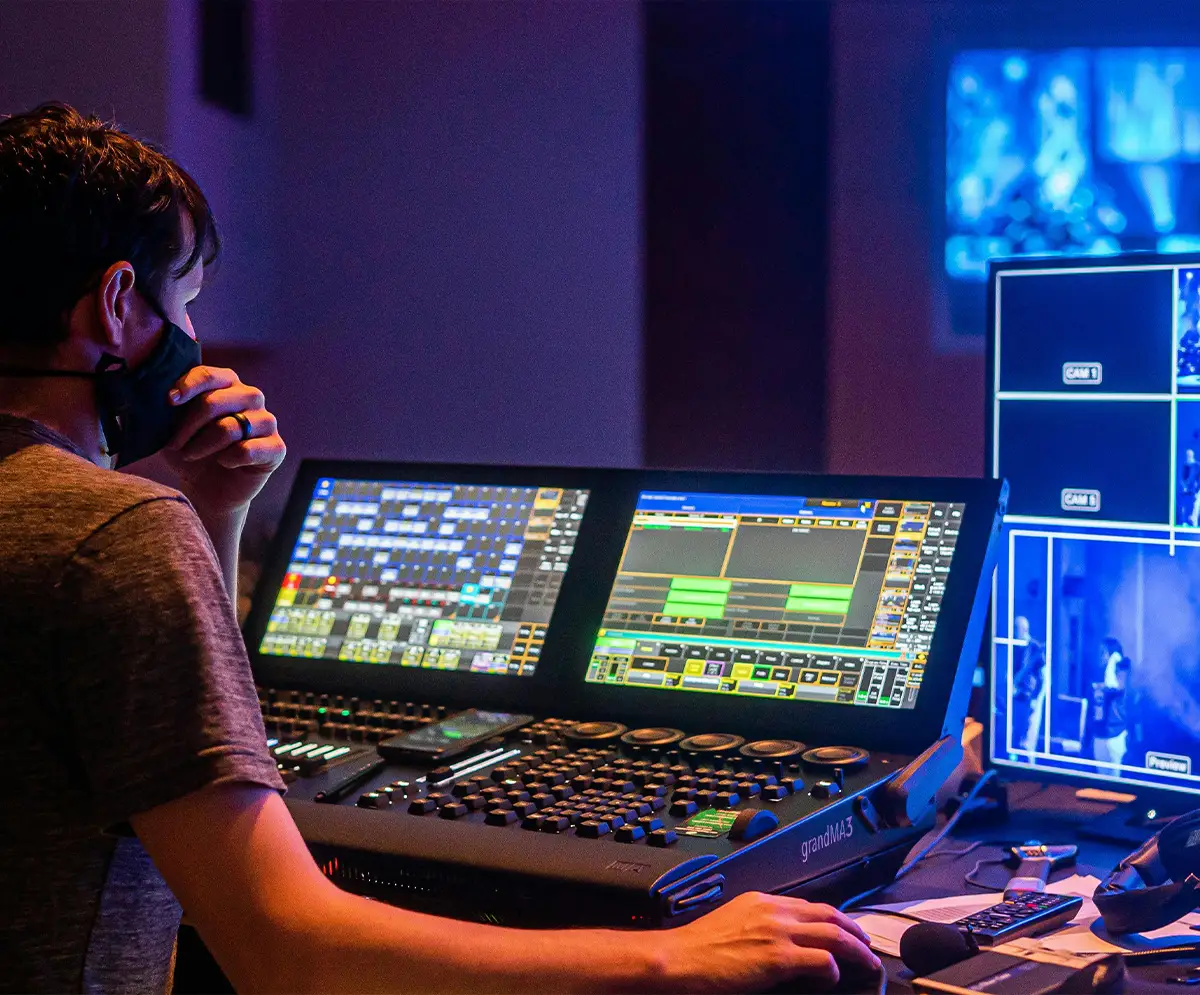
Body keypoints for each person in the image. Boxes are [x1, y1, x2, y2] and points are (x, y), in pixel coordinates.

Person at [0, 104, 880, 994]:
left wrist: (215, 510)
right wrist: (669, 956)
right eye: (184, 304)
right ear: (117, 305)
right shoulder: (117, 534)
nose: (194, 343)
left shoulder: (115, 530)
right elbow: (285, 949)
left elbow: (151, 736)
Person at [1091, 637, 1133, 773]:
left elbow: (1113, 686)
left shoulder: (1122, 673)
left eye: (1103, 652)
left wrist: (1112, 662)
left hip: (1115, 735)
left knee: (1115, 784)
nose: (1100, 656)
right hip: (1099, 735)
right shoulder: (1097, 674)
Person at [1010, 616, 1047, 758]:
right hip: (1015, 697)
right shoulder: (1014, 646)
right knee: (1014, 737)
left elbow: (1044, 679)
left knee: (1027, 742)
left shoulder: (1035, 648)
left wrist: (1036, 699)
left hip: (1029, 699)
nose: (1013, 631)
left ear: (1024, 629)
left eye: (1015, 628)